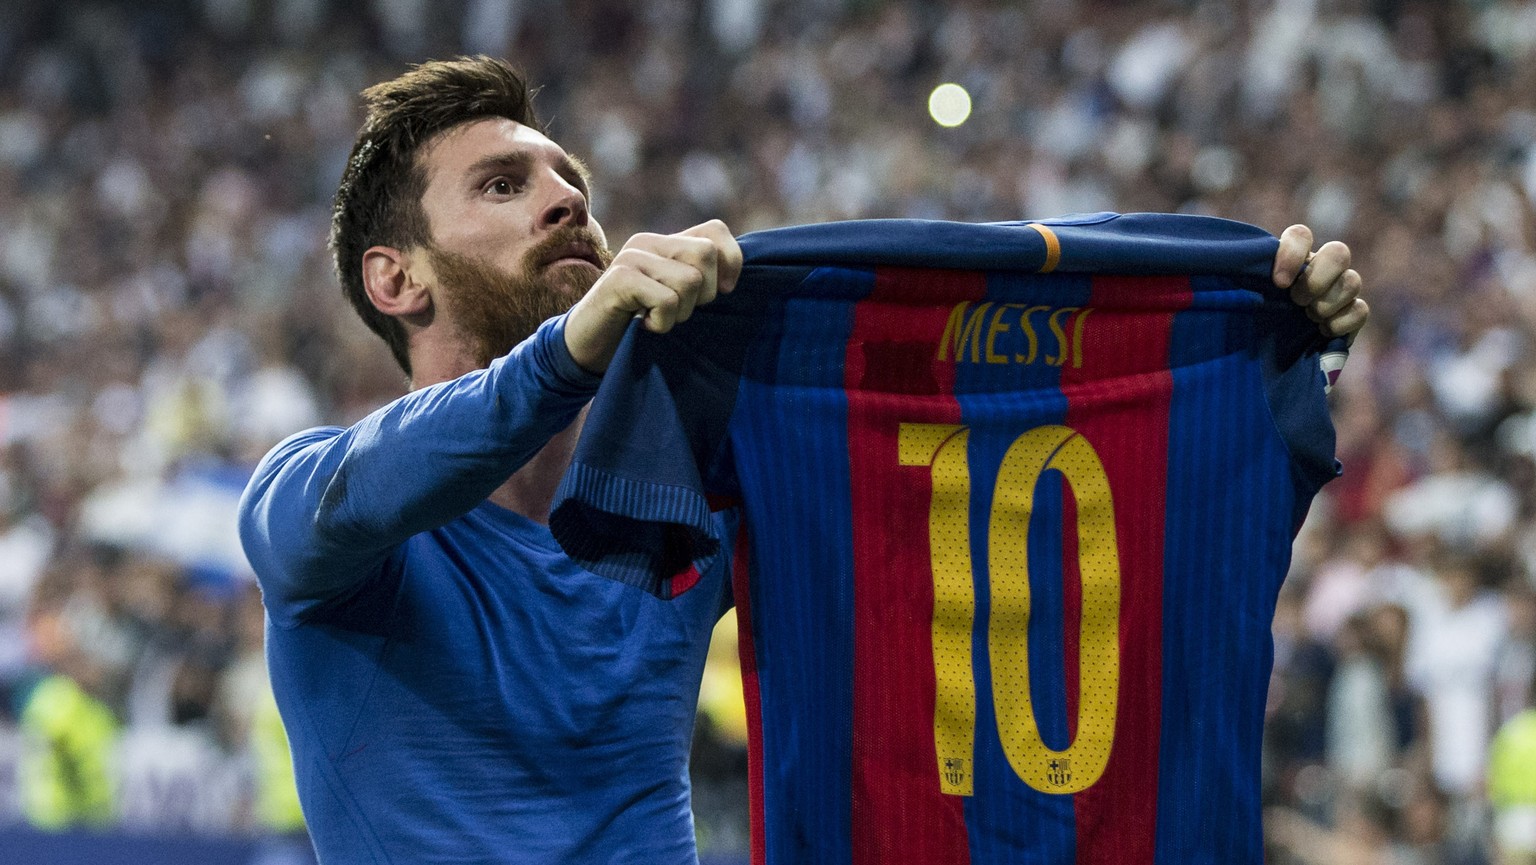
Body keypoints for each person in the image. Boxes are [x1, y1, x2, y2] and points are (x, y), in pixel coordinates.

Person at [237, 55, 1367, 864]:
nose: (566, 199)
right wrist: (573, 352)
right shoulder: (309, 507)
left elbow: (1020, 496)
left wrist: (1245, 345)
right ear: (398, 280)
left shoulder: (683, 494)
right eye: (503, 184)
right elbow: (378, 479)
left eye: (566, 179)